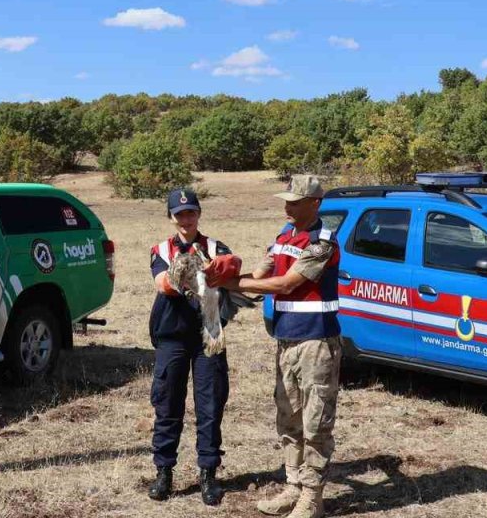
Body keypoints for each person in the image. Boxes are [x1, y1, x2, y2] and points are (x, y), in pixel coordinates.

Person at [228, 175, 341, 518]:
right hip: (286, 340)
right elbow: (263, 273)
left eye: (295, 201)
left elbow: (288, 284)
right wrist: (228, 282)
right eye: (286, 200)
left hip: (316, 343)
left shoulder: (323, 243)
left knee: (316, 422)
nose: (287, 206)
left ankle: (312, 497)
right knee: (288, 417)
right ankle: (293, 485)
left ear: (315, 203)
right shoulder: (283, 235)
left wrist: (235, 282)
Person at [146, 187, 242, 506]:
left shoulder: (215, 246)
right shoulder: (160, 249)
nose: (186, 219)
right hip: (172, 335)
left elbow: (231, 268)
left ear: (199, 214)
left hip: (208, 334)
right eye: (180, 214)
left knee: (210, 403)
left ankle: (208, 474)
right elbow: (164, 285)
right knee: (167, 403)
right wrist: (191, 272)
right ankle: (164, 472)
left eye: (191, 212)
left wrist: (220, 269)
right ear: (171, 218)